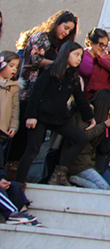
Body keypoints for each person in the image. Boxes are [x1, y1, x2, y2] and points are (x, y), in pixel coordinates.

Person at [7, 11, 78, 173]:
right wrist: (58, 63)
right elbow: (33, 60)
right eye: (65, 28)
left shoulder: (59, 45)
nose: (66, 33)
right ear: (56, 23)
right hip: (29, 91)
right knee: (20, 134)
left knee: (31, 139)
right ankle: (10, 168)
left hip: (43, 98)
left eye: (70, 31)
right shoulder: (41, 37)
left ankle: (19, 171)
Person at [15, 41, 94, 185]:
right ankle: (18, 183)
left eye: (80, 56)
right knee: (32, 149)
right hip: (40, 116)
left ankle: (59, 173)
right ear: (66, 54)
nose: (78, 59)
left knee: (81, 138)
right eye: (76, 55)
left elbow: (80, 99)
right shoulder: (50, 70)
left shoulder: (74, 77)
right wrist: (31, 116)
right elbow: (36, 94)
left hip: (59, 118)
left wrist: (90, 117)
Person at [67, 89, 110, 190]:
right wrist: (103, 125)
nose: (109, 112)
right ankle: (72, 179)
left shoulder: (99, 118)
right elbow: (82, 137)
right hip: (77, 162)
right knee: (104, 187)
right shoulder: (85, 113)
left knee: (102, 188)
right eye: (109, 108)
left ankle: (74, 179)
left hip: (87, 163)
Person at [82, 28, 110, 98]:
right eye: (101, 44)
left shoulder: (101, 60)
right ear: (91, 42)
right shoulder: (82, 55)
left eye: (105, 45)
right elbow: (92, 72)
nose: (103, 48)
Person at [0, 51, 21, 168]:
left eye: (16, 67)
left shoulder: (13, 87)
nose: (14, 69)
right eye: (11, 65)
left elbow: (15, 109)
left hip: (3, 128)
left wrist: (13, 126)